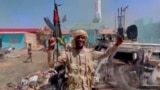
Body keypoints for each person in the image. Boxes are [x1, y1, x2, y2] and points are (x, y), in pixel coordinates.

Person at [52, 30, 123, 90]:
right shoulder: (68, 53)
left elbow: (105, 54)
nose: (80, 39)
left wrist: (116, 44)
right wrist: (50, 49)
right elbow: (53, 64)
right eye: (78, 37)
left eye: (82, 38)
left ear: (85, 40)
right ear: (75, 40)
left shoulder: (89, 53)